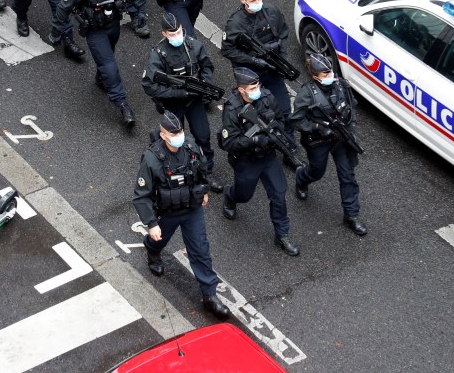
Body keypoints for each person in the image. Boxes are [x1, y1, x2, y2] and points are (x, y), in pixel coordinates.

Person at [132, 111, 230, 320]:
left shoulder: (191, 149)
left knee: (200, 250)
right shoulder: (151, 158)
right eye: (173, 133)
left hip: (192, 209)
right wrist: (151, 223)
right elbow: (141, 195)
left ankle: (209, 295)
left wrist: (203, 192)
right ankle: (152, 250)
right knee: (159, 240)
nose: (179, 135)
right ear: (163, 135)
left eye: (180, 131)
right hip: (168, 212)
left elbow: (203, 173)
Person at [50, 0, 145, 127]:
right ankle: (122, 104)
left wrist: (140, 11)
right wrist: (56, 32)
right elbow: (63, 8)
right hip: (95, 31)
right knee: (110, 67)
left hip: (113, 24)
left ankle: (101, 77)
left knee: (108, 57)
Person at [220, 67, 299, 256]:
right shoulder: (232, 110)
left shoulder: (267, 97)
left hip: (268, 156)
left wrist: (274, 135)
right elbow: (227, 142)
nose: (257, 89)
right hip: (247, 160)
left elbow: (280, 118)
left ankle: (282, 235)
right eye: (252, 86)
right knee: (244, 195)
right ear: (242, 90)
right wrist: (253, 139)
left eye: (257, 85)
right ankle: (230, 197)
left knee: (279, 194)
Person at [142, 12, 222, 192]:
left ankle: (206, 171)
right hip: (173, 103)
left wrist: (204, 85)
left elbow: (207, 66)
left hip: (194, 100)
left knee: (203, 135)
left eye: (178, 31)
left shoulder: (193, 45)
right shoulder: (158, 55)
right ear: (163, 33)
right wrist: (175, 92)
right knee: (173, 140)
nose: (176, 36)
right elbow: (149, 85)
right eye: (172, 34)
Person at [289, 52, 367, 236]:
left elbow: (351, 107)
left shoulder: (341, 85)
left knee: (347, 176)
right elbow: (295, 120)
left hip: (340, 137)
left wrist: (351, 130)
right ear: (315, 76)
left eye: (330, 72)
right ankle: (302, 178)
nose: (329, 76)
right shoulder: (307, 94)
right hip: (318, 140)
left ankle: (351, 215)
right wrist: (316, 127)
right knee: (317, 172)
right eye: (324, 74)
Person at [221, 0, 294, 145]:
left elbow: (283, 34)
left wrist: (282, 60)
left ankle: (288, 144)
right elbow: (227, 50)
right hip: (251, 77)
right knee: (256, 117)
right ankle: (263, 144)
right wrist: (254, 60)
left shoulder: (271, 11)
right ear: (243, 1)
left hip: (274, 70)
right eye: (253, 1)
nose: (257, 3)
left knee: (284, 111)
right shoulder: (235, 23)